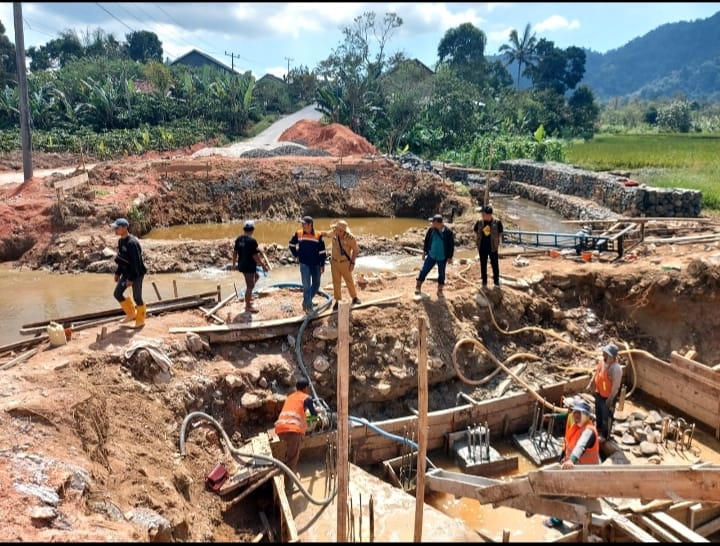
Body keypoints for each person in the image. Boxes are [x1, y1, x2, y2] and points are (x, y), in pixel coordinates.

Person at [544, 398, 600, 527]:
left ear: (586, 415)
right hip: (574, 468)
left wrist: (572, 460)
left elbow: (580, 446)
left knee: (569, 494)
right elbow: (569, 445)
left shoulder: (589, 430)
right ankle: (562, 517)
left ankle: (565, 519)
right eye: (574, 412)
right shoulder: (576, 426)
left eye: (578, 413)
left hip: (586, 472)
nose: (575, 415)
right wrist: (563, 458)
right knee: (564, 492)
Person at [274, 377, 318, 495]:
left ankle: (289, 477)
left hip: (280, 429)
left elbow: (295, 410)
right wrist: (316, 413)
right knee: (292, 459)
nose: (308, 389)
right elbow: (314, 414)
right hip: (292, 431)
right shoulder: (306, 398)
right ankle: (289, 488)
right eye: (308, 387)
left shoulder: (290, 397)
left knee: (288, 456)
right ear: (305, 388)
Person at [111, 217, 148, 329]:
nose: (115, 230)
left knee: (137, 297)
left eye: (117, 228)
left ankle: (140, 320)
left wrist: (131, 279)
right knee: (117, 293)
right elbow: (122, 259)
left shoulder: (133, 243)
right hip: (126, 272)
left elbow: (136, 263)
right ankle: (132, 314)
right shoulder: (121, 241)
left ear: (124, 228)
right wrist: (118, 273)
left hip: (136, 273)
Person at [289, 216, 327, 314]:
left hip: (316, 264)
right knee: (306, 286)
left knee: (316, 284)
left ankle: (306, 301)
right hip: (304, 264)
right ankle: (309, 306)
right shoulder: (298, 233)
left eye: (304, 223)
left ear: (310, 224)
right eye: (302, 223)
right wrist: (296, 255)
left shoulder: (318, 235)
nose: (302, 225)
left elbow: (322, 251)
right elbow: (291, 244)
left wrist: (322, 264)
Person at [588, 343, 623, 441]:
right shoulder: (602, 362)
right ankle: (598, 428)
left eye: (606, 353)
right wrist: (591, 384)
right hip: (599, 393)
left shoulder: (616, 369)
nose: (603, 354)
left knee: (606, 416)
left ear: (611, 356)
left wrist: (610, 399)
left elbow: (616, 386)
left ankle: (605, 435)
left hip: (608, 397)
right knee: (598, 413)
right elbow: (597, 373)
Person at [232, 220, 268, 313]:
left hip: (242, 264)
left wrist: (233, 264)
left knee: (256, 276)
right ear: (253, 229)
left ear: (244, 229)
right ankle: (248, 306)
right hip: (248, 266)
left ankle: (248, 297)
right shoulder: (252, 241)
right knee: (250, 286)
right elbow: (255, 256)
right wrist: (263, 266)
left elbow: (235, 252)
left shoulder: (239, 239)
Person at [324, 219, 361, 311]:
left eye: (337, 229)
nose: (335, 230)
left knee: (349, 280)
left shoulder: (350, 238)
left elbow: (356, 250)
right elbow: (326, 234)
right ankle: (337, 301)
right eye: (335, 228)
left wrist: (352, 263)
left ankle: (354, 297)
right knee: (336, 282)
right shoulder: (334, 234)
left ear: (342, 230)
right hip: (334, 263)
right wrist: (314, 233)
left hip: (345, 263)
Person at [415, 214, 455, 298]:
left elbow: (451, 245)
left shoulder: (448, 232)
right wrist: (424, 252)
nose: (432, 224)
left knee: (441, 274)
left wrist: (450, 257)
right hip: (431, 255)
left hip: (442, 257)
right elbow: (427, 241)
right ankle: (418, 287)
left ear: (438, 223)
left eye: (433, 222)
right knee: (424, 270)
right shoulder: (431, 230)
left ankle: (440, 290)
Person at [473, 205, 504, 287]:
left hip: (493, 247)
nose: (483, 216)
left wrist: (496, 241)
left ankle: (496, 281)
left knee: (495, 264)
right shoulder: (479, 222)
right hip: (482, 247)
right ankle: (484, 280)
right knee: (483, 264)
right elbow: (476, 230)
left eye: (484, 215)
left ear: (490, 215)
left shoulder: (497, 222)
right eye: (482, 214)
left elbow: (500, 233)